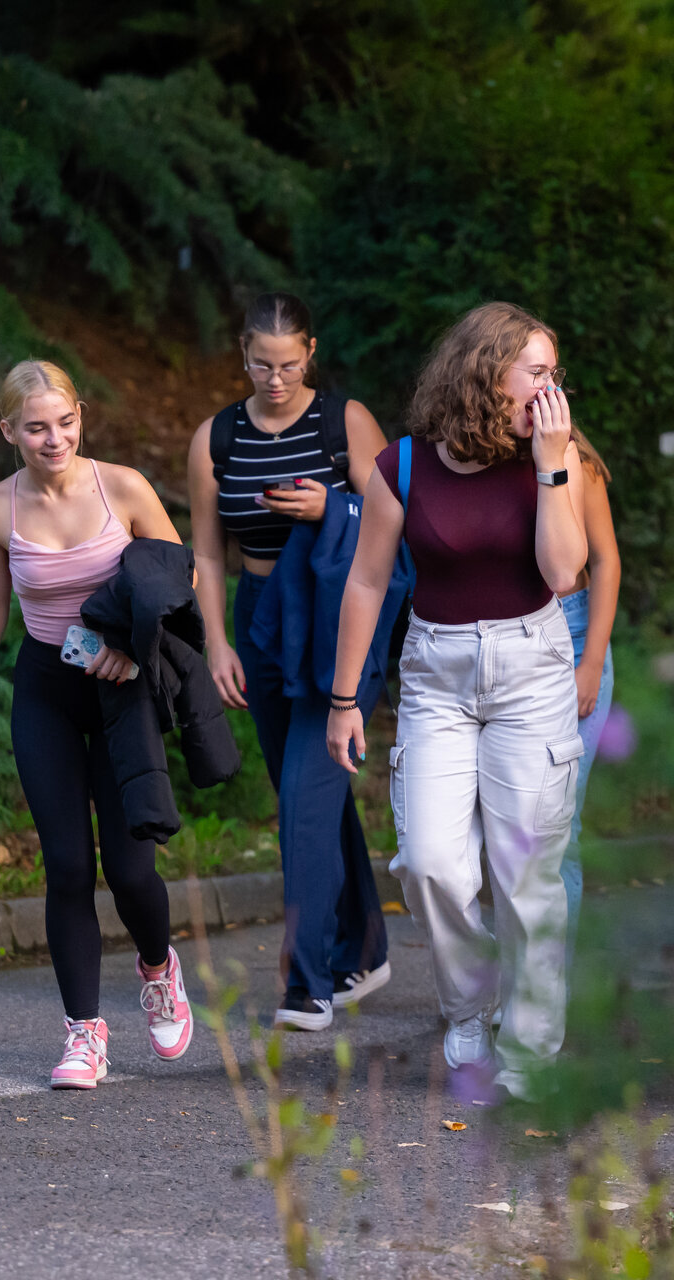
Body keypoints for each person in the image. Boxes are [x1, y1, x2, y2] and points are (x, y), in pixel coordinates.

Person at [325, 301, 587, 1101]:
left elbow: (564, 572)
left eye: (554, 373)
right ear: (488, 371)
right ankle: (471, 1006)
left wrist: (551, 466)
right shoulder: (403, 465)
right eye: (536, 372)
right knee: (431, 863)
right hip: (436, 673)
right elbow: (367, 580)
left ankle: (531, 1047)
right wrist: (344, 699)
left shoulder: (555, 454)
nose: (551, 388)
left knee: (526, 872)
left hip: (532, 667)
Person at [0, 360, 194, 1089]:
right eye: (37, 428)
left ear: (82, 417)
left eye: (66, 422)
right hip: (46, 689)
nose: (55, 439)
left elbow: (183, 579)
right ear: (8, 432)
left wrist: (130, 646)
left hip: (122, 692)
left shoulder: (124, 488)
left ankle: (158, 968)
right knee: (69, 866)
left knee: (130, 869)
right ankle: (84, 1032)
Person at [188, 292, 394, 1032]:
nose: (274, 380)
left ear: (310, 352)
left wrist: (329, 509)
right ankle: (364, 948)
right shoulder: (217, 438)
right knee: (308, 792)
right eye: (259, 366)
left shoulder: (345, 422)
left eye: (287, 365)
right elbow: (208, 552)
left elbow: (397, 522)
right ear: (242, 355)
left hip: (338, 619)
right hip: (261, 619)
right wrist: (217, 641)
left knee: (305, 800)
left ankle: (309, 984)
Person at [559, 427, 620, 953]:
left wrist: (593, 661)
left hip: (574, 631)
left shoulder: (579, 462)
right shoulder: (475, 457)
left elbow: (605, 559)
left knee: (559, 825)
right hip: (500, 633)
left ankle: (549, 983)